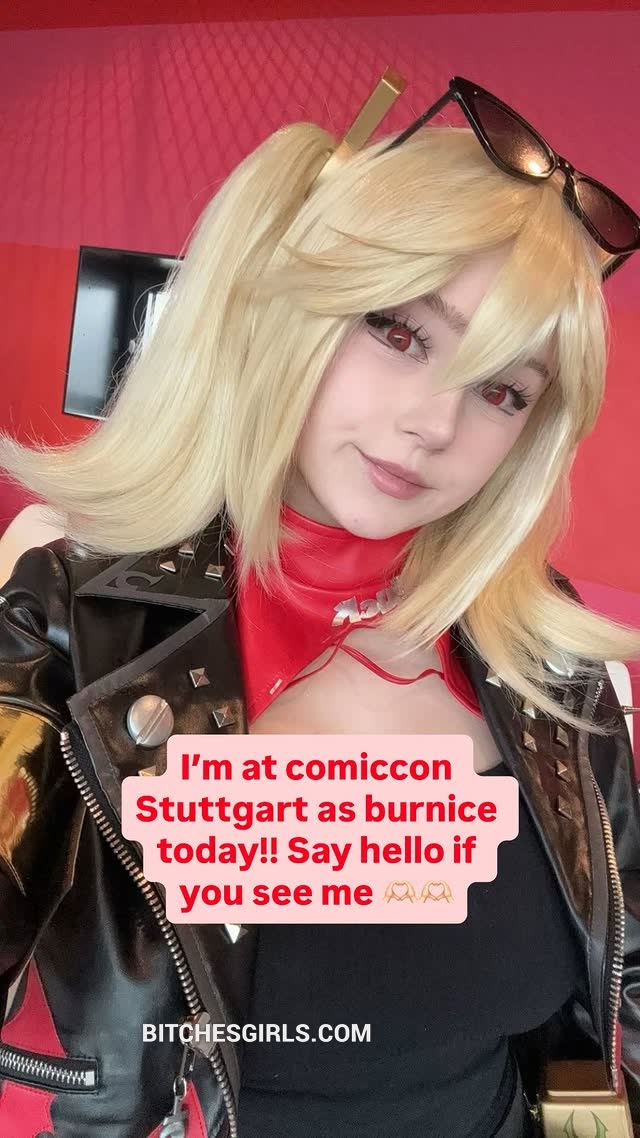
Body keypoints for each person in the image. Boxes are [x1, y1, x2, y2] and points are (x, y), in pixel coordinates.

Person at [0, 69, 639, 1138]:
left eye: (502, 391)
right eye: (399, 332)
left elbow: (621, 985)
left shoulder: (545, 655)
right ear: (295, 311)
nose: (435, 425)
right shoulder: (75, 621)